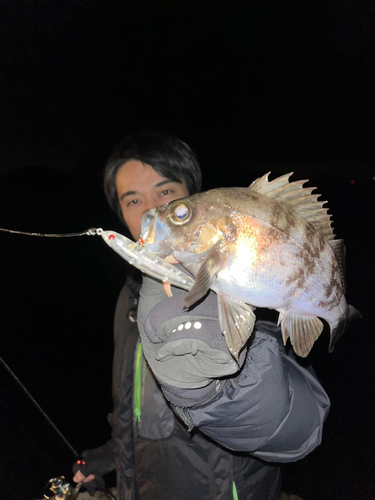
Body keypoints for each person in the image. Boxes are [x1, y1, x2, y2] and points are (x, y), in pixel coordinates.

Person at [73, 131, 330, 500]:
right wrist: (102, 459)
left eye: (166, 195)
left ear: (196, 195)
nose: (149, 212)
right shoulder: (127, 303)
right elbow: (131, 417)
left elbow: (301, 428)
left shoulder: (247, 284)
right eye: (133, 200)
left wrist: (217, 392)